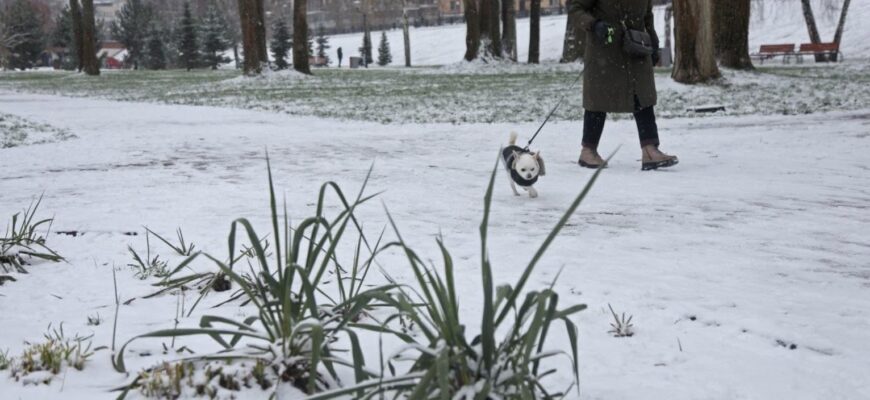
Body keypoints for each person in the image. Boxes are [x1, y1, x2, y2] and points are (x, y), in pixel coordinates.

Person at [570, 0, 678, 170]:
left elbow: (647, 16)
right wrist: (594, 24)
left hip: (637, 47)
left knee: (643, 96)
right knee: (598, 99)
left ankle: (650, 150)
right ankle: (588, 151)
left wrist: (653, 42)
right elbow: (576, 9)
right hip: (605, 51)